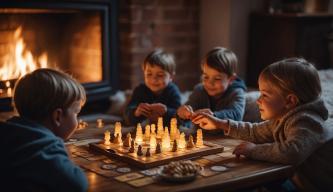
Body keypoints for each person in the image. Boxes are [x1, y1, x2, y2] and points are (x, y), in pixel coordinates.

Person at [192, 58, 333, 191]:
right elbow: (255, 131)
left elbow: (292, 152)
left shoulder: (307, 121)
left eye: (264, 95)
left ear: (290, 101)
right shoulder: (283, 118)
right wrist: (221, 124)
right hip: (296, 181)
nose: (258, 100)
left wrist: (253, 150)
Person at [0, 68, 88, 192]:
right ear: (57, 116)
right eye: (76, 113)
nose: (77, 120)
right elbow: (78, 184)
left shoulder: (7, 131)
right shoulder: (45, 146)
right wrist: (65, 154)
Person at [177, 47, 246, 129]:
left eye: (217, 78)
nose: (210, 83)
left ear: (231, 79)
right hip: (203, 138)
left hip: (226, 138)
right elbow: (188, 111)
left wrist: (213, 116)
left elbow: (236, 115)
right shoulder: (199, 90)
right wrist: (182, 114)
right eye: (206, 77)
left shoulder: (236, 93)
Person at [124, 49, 181, 126]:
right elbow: (127, 115)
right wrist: (136, 112)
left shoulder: (173, 91)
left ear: (171, 77)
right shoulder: (140, 90)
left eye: (160, 75)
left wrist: (166, 111)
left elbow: (179, 117)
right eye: (149, 74)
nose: (154, 79)